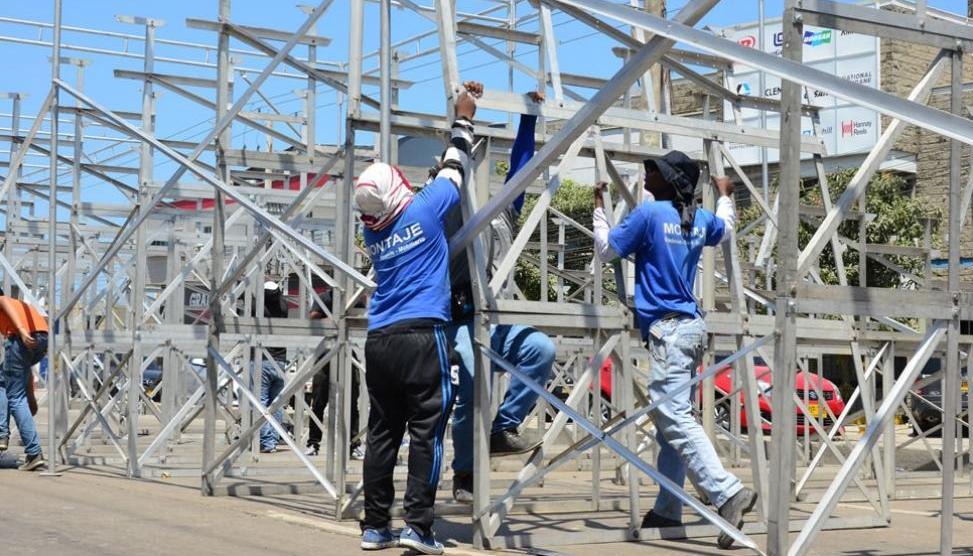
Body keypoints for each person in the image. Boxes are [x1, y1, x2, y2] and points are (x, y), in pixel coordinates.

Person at [592, 152, 756, 550]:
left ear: (669, 182)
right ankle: (668, 507)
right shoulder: (698, 218)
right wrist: (726, 196)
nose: (647, 174)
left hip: (668, 329)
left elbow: (605, 250)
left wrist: (598, 209)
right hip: (692, 330)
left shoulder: (650, 215)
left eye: (655, 171)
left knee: (673, 415)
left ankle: (726, 492)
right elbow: (726, 229)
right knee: (671, 424)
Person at [356, 82, 481, 555]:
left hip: (380, 338)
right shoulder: (426, 211)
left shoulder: (373, 233)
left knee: (383, 433)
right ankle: (419, 527)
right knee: (428, 431)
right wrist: (463, 116)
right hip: (422, 335)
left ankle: (374, 526)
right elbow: (456, 164)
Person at [445, 91, 556, 504]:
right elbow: (452, 167)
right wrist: (460, 116)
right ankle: (465, 471)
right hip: (457, 320)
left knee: (541, 349)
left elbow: (523, 166)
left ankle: (502, 427)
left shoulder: (504, 215)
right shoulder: (453, 214)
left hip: (492, 322)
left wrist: (528, 116)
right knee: (472, 378)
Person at [306, 289, 364, 460]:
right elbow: (313, 319)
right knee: (318, 402)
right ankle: (313, 443)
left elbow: (363, 316)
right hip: (326, 352)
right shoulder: (325, 298)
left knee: (352, 402)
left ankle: (353, 445)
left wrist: (346, 322)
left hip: (347, 352)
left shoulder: (356, 297)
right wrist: (334, 321)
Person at [0, 288, 49, 471]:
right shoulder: (21, 305)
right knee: (5, 380)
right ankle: (31, 454)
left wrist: (20, 330)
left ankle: (30, 450)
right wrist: (32, 397)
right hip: (42, 339)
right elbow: (24, 368)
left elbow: (2, 300)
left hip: (21, 338)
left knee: (14, 398)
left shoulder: (5, 302)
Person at [252, 281, 289, 453]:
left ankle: (266, 442)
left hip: (262, 358)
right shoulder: (283, 307)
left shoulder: (259, 308)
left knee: (261, 403)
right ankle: (273, 440)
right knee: (276, 405)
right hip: (280, 360)